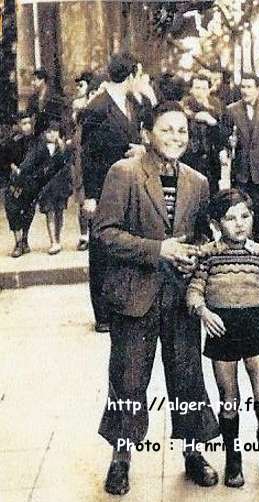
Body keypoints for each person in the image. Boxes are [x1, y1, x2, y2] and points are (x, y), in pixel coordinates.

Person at [93, 101, 219, 496]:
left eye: (182, 131)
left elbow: (198, 237)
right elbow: (105, 233)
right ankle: (121, 457)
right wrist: (158, 249)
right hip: (135, 296)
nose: (176, 138)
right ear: (148, 133)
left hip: (179, 298)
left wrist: (197, 254)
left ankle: (193, 451)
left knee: (187, 377)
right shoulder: (124, 173)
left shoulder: (198, 181)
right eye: (167, 130)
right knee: (129, 380)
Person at [187, 188, 259, 488]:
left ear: (253, 218)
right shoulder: (208, 254)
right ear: (216, 224)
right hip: (221, 332)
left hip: (252, 329)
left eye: (245, 216)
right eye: (230, 218)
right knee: (229, 400)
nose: (239, 224)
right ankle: (233, 458)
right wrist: (204, 312)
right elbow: (194, 290)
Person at [81, 53, 145, 333]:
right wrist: (90, 197)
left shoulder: (132, 103)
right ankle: (102, 314)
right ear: (130, 75)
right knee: (101, 250)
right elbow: (87, 156)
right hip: (104, 187)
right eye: (138, 75)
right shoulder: (97, 108)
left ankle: (122, 304)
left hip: (127, 184)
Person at [221, 72, 259, 224]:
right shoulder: (231, 110)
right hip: (241, 173)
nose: (245, 91)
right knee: (241, 211)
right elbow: (225, 140)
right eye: (243, 87)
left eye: (249, 87)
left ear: (258, 89)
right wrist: (229, 143)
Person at [2, 111, 39, 257]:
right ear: (18, 125)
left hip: (30, 183)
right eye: (24, 123)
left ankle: (25, 239)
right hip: (13, 183)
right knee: (13, 211)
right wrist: (11, 166)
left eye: (29, 123)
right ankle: (17, 243)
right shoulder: (10, 142)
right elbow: (4, 161)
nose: (27, 126)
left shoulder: (35, 142)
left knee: (29, 212)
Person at [181, 74, 224, 193]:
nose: (200, 92)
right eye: (197, 88)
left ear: (209, 90)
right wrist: (195, 116)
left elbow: (222, 132)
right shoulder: (185, 105)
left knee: (211, 191)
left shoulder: (216, 105)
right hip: (191, 158)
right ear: (191, 89)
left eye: (204, 88)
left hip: (211, 159)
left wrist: (212, 122)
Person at [36, 121, 72, 254]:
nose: (52, 134)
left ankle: (58, 238)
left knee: (59, 213)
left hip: (60, 186)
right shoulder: (39, 147)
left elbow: (68, 166)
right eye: (49, 131)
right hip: (46, 187)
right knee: (49, 213)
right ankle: (53, 242)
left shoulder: (63, 147)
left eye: (55, 131)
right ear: (45, 133)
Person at [71, 71, 94, 251]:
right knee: (82, 198)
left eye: (82, 85)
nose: (78, 88)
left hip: (92, 157)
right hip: (79, 157)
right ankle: (84, 235)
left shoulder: (94, 106)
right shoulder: (77, 106)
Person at [27, 68, 64, 135]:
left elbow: (58, 118)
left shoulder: (54, 97)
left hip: (51, 133)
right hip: (37, 133)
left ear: (42, 80)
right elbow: (29, 114)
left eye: (35, 80)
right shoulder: (32, 98)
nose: (32, 83)